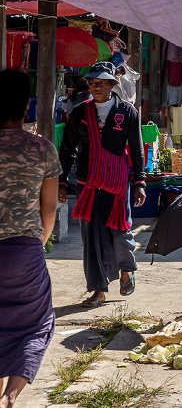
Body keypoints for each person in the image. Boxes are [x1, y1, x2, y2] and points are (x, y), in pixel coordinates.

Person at [58, 62, 145, 307]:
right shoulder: (79, 113)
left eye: (102, 83)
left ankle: (126, 269)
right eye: (93, 83)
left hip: (117, 185)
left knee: (120, 232)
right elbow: (67, 150)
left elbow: (136, 149)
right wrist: (62, 182)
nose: (97, 87)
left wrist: (140, 182)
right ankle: (98, 289)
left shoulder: (127, 112)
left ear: (112, 85)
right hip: (89, 184)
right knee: (92, 238)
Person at [0, 69, 61, 408]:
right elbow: (49, 209)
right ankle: (10, 397)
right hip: (23, 251)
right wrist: (38, 245)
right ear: (26, 106)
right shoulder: (41, 149)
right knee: (36, 325)